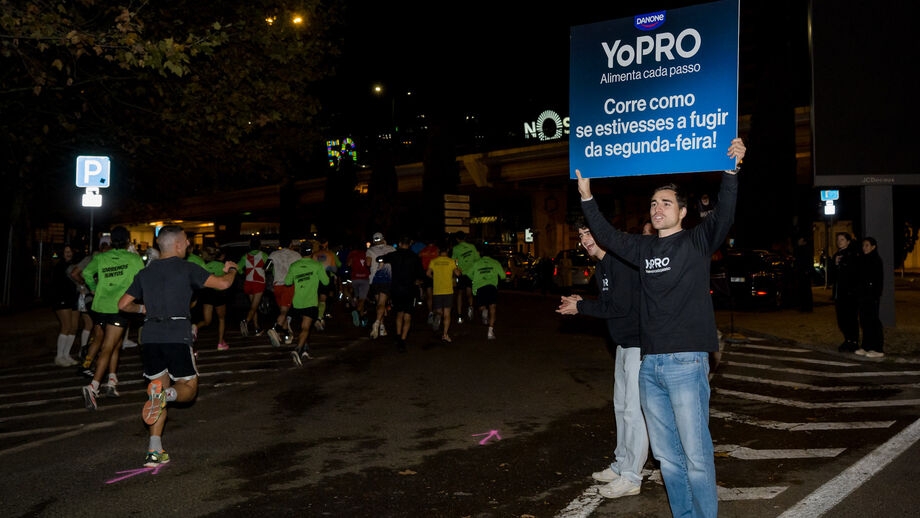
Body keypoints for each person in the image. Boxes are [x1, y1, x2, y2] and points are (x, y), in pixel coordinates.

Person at [575, 137, 746, 518]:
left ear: (683, 212)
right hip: (650, 366)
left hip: (686, 363)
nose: (657, 208)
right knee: (668, 458)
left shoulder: (697, 241)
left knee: (696, 455)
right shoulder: (643, 249)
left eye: (666, 203)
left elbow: (725, 214)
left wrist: (731, 171)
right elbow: (609, 237)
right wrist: (588, 197)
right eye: (653, 203)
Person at [118, 225, 237, 467]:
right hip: (176, 334)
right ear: (178, 245)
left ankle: (154, 451)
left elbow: (123, 304)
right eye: (186, 242)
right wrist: (232, 269)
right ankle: (168, 394)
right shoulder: (187, 268)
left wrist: (143, 309)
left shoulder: (146, 273)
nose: (189, 246)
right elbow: (224, 284)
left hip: (150, 337)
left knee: (156, 389)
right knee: (188, 388)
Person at [557, 218, 647, 499]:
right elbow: (609, 304)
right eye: (581, 234)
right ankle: (621, 464)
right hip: (621, 345)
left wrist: (580, 307)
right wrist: (581, 300)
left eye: (590, 233)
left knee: (634, 412)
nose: (585, 239)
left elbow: (620, 307)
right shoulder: (602, 266)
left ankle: (633, 476)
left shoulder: (620, 263)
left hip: (639, 344)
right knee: (621, 407)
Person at [80, 227, 145, 408]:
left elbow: (85, 273)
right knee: (108, 346)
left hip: (100, 306)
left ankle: (111, 382)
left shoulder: (101, 257)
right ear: (128, 241)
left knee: (115, 344)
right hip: (119, 308)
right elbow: (143, 278)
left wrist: (93, 286)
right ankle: (93, 386)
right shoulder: (133, 258)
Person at [283, 241, 329, 366]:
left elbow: (287, 282)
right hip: (310, 302)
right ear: (312, 252)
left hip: (297, 303)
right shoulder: (316, 265)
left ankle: (304, 351)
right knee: (305, 328)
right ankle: (297, 350)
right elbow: (325, 282)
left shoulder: (294, 265)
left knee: (303, 328)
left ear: (300, 252)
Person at [382, 237, 424, 351]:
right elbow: (421, 274)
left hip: (396, 289)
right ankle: (403, 339)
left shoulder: (393, 255)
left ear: (400, 243)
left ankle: (398, 335)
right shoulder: (414, 257)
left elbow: (380, 259)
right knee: (408, 315)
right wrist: (418, 280)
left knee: (399, 313)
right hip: (410, 289)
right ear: (410, 244)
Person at [267, 238, 302, 347]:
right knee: (284, 311)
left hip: (277, 285)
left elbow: (266, 268)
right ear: (291, 243)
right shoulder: (296, 255)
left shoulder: (273, 254)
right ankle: (275, 329)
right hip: (289, 284)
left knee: (283, 311)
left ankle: (287, 335)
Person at [195, 247, 232, 351]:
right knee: (221, 319)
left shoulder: (204, 266)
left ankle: (194, 328)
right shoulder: (222, 266)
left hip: (208, 294)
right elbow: (226, 281)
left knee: (207, 321)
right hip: (219, 294)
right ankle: (220, 343)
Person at [830, 232, 860, 352]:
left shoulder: (852, 254)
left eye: (842, 239)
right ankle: (847, 339)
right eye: (838, 240)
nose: (839, 242)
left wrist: (841, 264)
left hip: (850, 293)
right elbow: (832, 276)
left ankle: (854, 341)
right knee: (841, 319)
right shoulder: (836, 255)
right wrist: (836, 264)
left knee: (851, 318)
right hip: (839, 293)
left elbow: (853, 273)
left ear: (848, 241)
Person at [50, 245, 79, 366]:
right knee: (66, 326)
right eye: (66, 251)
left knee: (74, 327)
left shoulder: (74, 264)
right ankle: (59, 356)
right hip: (62, 299)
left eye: (70, 251)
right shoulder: (60, 266)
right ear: (63, 253)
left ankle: (66, 355)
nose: (69, 253)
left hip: (74, 298)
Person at [856, 236, 884, 358]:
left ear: (873, 247)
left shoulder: (876, 260)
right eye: (863, 245)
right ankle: (866, 346)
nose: (864, 248)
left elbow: (878, 280)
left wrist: (874, 295)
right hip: (863, 296)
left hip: (872, 296)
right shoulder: (863, 259)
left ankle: (877, 348)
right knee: (864, 321)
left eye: (867, 245)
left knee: (873, 321)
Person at [469, 252, 506, 340]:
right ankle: (490, 332)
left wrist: (477, 277)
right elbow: (503, 276)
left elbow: (470, 274)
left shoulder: (476, 263)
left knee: (481, 306)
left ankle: (484, 310)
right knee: (492, 309)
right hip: (491, 287)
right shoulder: (495, 262)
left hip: (480, 287)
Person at [427, 243, 460, 342]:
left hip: (437, 290)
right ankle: (445, 334)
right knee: (447, 313)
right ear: (447, 251)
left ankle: (437, 315)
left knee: (439, 311)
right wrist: (458, 268)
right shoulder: (451, 261)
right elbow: (457, 273)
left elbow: (427, 273)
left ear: (438, 252)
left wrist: (434, 278)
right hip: (448, 291)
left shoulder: (433, 261)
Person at [239, 237, 269, 337]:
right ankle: (246, 321)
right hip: (259, 282)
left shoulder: (245, 256)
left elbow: (238, 268)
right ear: (260, 245)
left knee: (253, 306)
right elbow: (269, 267)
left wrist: (244, 273)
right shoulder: (264, 255)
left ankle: (257, 328)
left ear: (250, 246)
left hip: (248, 282)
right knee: (254, 306)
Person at [367, 232, 394, 339]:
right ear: (383, 239)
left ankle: (382, 327)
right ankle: (377, 323)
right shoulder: (391, 249)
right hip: (387, 279)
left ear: (374, 241)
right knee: (382, 303)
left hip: (374, 280)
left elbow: (368, 264)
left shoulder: (370, 250)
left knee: (379, 304)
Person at [311, 239, 342, 331]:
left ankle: (316, 316)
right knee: (323, 298)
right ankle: (320, 317)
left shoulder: (315, 254)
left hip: (315, 276)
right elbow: (334, 269)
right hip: (326, 275)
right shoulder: (330, 254)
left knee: (316, 296)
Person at [451, 232, 480, 323]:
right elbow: (477, 260)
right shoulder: (472, 247)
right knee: (469, 293)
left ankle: (459, 316)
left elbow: (453, 261)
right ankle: (470, 307)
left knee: (459, 293)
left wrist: (456, 270)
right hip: (471, 274)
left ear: (457, 239)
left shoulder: (456, 248)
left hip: (461, 273)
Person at [346, 241, 371, 327]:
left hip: (355, 279)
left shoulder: (352, 253)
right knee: (362, 300)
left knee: (358, 299)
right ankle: (357, 312)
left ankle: (361, 318)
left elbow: (349, 264)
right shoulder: (367, 253)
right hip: (364, 279)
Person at [418, 240, 441, 324]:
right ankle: (436, 311)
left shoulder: (423, 250)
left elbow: (419, 257)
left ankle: (430, 312)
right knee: (436, 293)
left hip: (426, 272)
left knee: (429, 294)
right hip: (435, 272)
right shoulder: (437, 249)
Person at [793, 235, 814, 312]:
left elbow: (804, 261)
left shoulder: (804, 250)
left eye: (800, 241)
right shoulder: (804, 249)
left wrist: (806, 271)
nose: (799, 242)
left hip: (804, 272)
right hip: (803, 272)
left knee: (805, 290)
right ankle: (806, 306)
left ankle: (806, 307)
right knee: (804, 290)